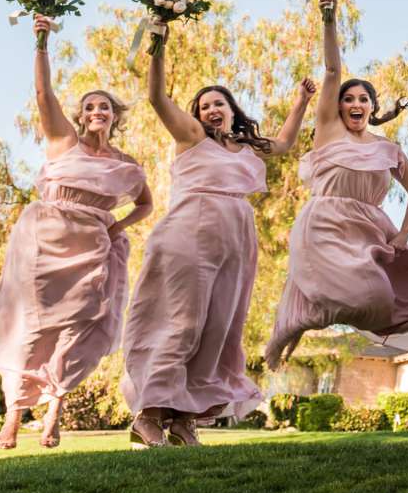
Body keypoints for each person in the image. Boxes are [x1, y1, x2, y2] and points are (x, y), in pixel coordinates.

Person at [121, 25, 313, 446]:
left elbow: (283, 144)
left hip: (237, 238)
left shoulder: (245, 148)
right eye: (204, 105)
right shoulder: (190, 138)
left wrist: (300, 101)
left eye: (218, 103)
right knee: (183, 322)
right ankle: (150, 413)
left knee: (220, 327)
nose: (211, 109)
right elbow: (156, 97)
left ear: (231, 110)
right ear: (197, 114)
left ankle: (185, 417)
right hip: (191, 231)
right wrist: (157, 43)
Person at [0, 21, 152, 449]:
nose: (97, 113)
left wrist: (116, 227)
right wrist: (42, 42)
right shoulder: (64, 141)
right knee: (30, 327)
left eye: (105, 108)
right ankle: (12, 417)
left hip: (93, 248)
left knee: (78, 328)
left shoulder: (127, 164)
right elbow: (44, 95)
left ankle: (54, 413)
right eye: (90, 107)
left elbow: (145, 205)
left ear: (115, 117)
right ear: (81, 115)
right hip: (45, 242)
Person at [263, 0, 408, 367]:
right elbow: (331, 70)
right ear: (338, 106)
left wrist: (404, 233)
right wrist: (329, 13)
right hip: (324, 223)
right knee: (343, 291)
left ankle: (302, 317)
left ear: (372, 107)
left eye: (363, 99)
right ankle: (298, 318)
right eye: (348, 99)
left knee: (378, 299)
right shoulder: (328, 131)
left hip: (368, 228)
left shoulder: (388, 149)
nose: (355, 104)